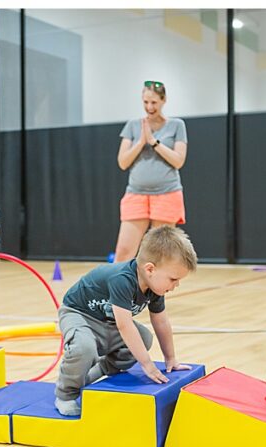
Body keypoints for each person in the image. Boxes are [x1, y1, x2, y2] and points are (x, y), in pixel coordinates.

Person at [54, 226, 196, 416]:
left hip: (106, 320)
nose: (176, 285)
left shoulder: (154, 287)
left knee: (144, 339)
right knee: (84, 348)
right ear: (150, 269)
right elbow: (124, 325)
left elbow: (161, 321)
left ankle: (98, 370)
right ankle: (65, 394)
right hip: (78, 314)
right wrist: (146, 364)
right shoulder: (122, 280)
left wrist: (170, 358)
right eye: (173, 279)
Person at [113, 80, 189, 263]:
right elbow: (123, 162)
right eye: (145, 102)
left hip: (167, 194)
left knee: (159, 255)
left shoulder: (177, 125)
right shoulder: (132, 125)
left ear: (164, 100)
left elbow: (178, 160)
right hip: (136, 194)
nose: (149, 106)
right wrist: (140, 142)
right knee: (123, 252)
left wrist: (153, 141)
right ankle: (120, 291)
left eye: (154, 102)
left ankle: (155, 292)